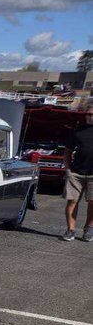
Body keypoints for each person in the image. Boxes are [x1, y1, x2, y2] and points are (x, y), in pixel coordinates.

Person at [61, 103, 93, 242]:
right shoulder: (78, 131)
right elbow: (67, 151)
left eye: (92, 114)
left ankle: (89, 229)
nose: (90, 116)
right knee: (72, 201)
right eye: (88, 114)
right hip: (76, 173)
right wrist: (68, 169)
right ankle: (70, 230)